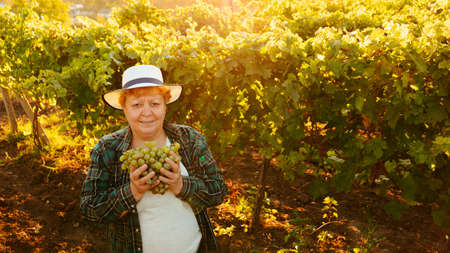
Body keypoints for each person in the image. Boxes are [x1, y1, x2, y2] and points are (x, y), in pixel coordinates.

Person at [80, 64, 227, 253]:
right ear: (124, 108)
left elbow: (218, 191)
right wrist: (132, 192)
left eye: (155, 104)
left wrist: (181, 186)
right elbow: (90, 209)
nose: (147, 112)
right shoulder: (107, 149)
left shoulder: (189, 139)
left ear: (165, 105)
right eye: (136, 104)